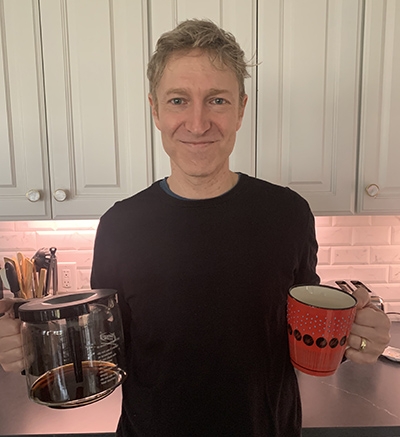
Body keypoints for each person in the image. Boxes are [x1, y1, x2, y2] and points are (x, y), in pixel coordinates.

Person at [0, 19, 391, 437]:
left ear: (241, 108)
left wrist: (357, 337)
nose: (199, 123)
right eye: (178, 100)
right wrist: (30, 350)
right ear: (155, 110)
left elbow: (301, 331)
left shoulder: (288, 214)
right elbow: (107, 347)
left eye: (217, 100)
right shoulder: (121, 225)